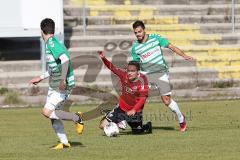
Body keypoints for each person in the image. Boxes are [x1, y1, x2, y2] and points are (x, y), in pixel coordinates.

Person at [29, 18, 84, 149]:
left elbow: (65, 59)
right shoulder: (52, 44)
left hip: (61, 85)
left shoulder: (52, 43)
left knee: (47, 112)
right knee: (54, 116)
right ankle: (64, 142)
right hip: (54, 85)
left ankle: (77, 117)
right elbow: (54, 68)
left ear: (42, 31)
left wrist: (63, 79)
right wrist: (40, 77)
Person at [131, 20, 194, 132]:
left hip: (161, 72)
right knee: (138, 97)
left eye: (139, 32)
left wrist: (184, 55)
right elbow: (136, 64)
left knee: (166, 100)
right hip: (146, 74)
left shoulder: (156, 38)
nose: (138, 34)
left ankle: (181, 119)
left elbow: (171, 46)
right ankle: (135, 123)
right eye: (136, 33)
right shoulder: (135, 47)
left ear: (144, 30)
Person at [98, 51, 152, 135]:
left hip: (134, 111)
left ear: (138, 72)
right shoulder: (124, 75)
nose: (129, 73)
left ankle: (147, 126)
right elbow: (112, 68)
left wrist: (134, 110)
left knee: (137, 131)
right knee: (102, 125)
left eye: (132, 71)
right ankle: (119, 122)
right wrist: (103, 58)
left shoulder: (143, 80)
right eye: (128, 70)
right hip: (121, 108)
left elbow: (142, 99)